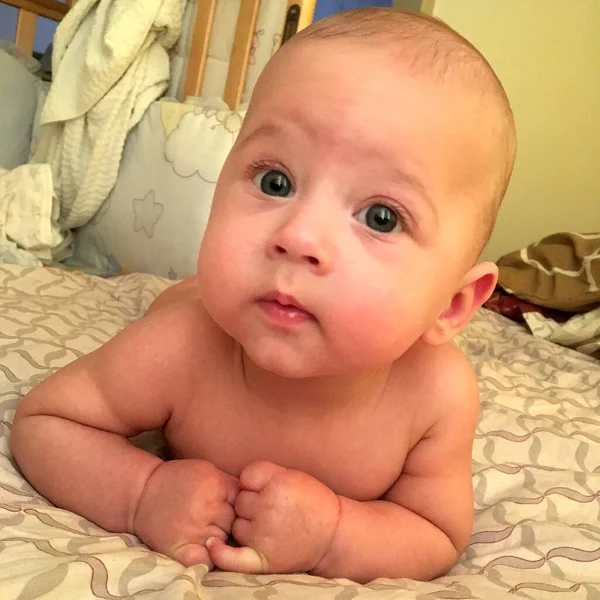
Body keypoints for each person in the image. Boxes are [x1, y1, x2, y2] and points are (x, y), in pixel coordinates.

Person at [10, 7, 516, 583]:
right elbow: (47, 421)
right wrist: (142, 490)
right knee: (182, 300)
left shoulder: (437, 397)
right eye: (276, 181)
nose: (299, 237)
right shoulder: (183, 345)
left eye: (380, 217)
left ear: (452, 306)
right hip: (188, 304)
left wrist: (334, 534)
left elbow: (435, 533)